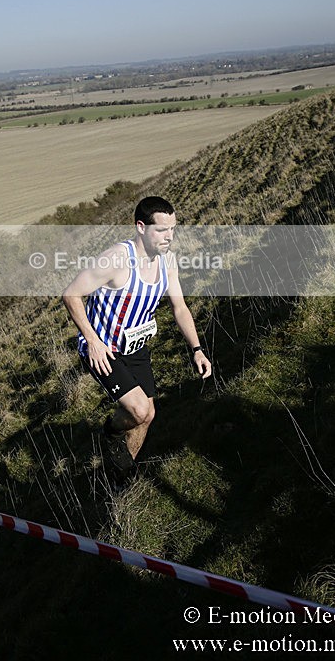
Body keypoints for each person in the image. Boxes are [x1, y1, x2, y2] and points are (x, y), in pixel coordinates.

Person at [62, 196, 211, 479]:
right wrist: (92, 341)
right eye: (162, 230)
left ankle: (120, 472)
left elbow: (179, 307)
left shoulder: (168, 261)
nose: (169, 237)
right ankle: (110, 433)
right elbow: (71, 294)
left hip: (137, 348)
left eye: (173, 229)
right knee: (139, 410)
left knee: (147, 416)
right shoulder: (117, 259)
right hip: (105, 350)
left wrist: (197, 349)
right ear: (141, 227)